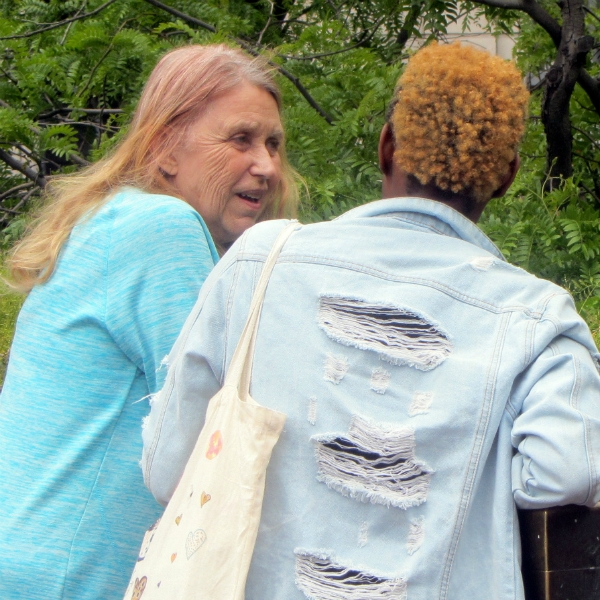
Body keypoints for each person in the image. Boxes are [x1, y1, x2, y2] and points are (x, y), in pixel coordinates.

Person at [143, 42, 600, 599]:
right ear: (506, 177)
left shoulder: (259, 263)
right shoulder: (538, 318)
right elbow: (565, 470)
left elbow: (168, 469)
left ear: (386, 147)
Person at [0, 44, 298, 599]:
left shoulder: (111, 218)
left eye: (274, 144)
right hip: (73, 582)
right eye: (241, 139)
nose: (267, 166)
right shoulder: (162, 226)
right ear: (165, 146)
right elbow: (220, 431)